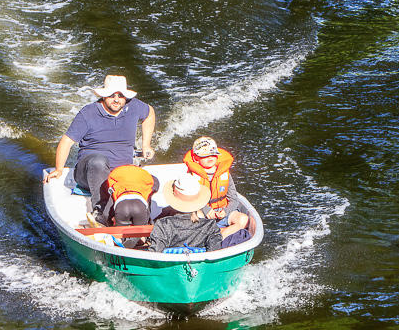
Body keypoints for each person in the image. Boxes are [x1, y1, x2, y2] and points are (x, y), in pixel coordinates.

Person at [42, 75, 156, 217]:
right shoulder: (87, 113)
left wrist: (146, 145)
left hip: (119, 176)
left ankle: (143, 223)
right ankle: (100, 212)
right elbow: (66, 141)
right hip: (89, 172)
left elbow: (150, 114)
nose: (116, 99)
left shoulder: (134, 106)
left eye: (120, 95)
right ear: (103, 96)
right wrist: (59, 169)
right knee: (98, 162)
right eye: (112, 95)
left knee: (150, 180)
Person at [148, 173, 250, 253]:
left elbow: (154, 254)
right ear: (198, 201)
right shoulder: (210, 226)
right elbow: (214, 254)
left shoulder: (163, 225)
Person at [182, 136, 250, 235]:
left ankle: (219, 240)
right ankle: (209, 238)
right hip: (202, 213)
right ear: (196, 158)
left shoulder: (225, 173)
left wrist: (225, 212)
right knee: (195, 217)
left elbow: (234, 199)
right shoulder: (190, 176)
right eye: (204, 155)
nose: (210, 157)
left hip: (222, 211)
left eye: (213, 154)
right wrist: (206, 210)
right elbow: (188, 199)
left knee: (243, 219)